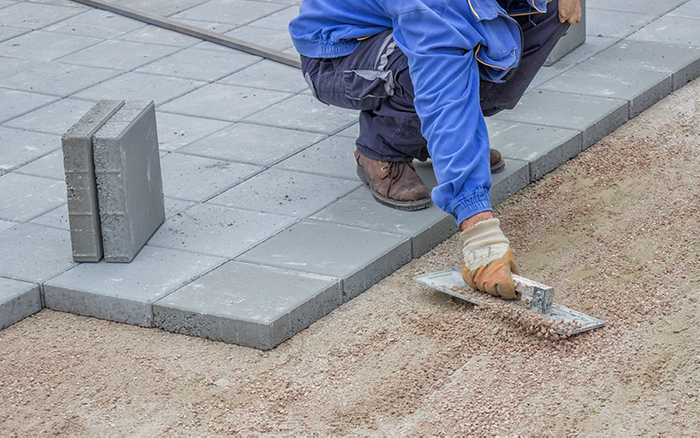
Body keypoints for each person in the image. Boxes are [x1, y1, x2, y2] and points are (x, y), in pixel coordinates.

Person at [289, 0, 581, 299]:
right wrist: (480, 231)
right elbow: (441, 85)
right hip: (340, 51)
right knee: (430, 70)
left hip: (419, 21)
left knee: (548, 10)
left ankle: (449, 141)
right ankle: (382, 146)